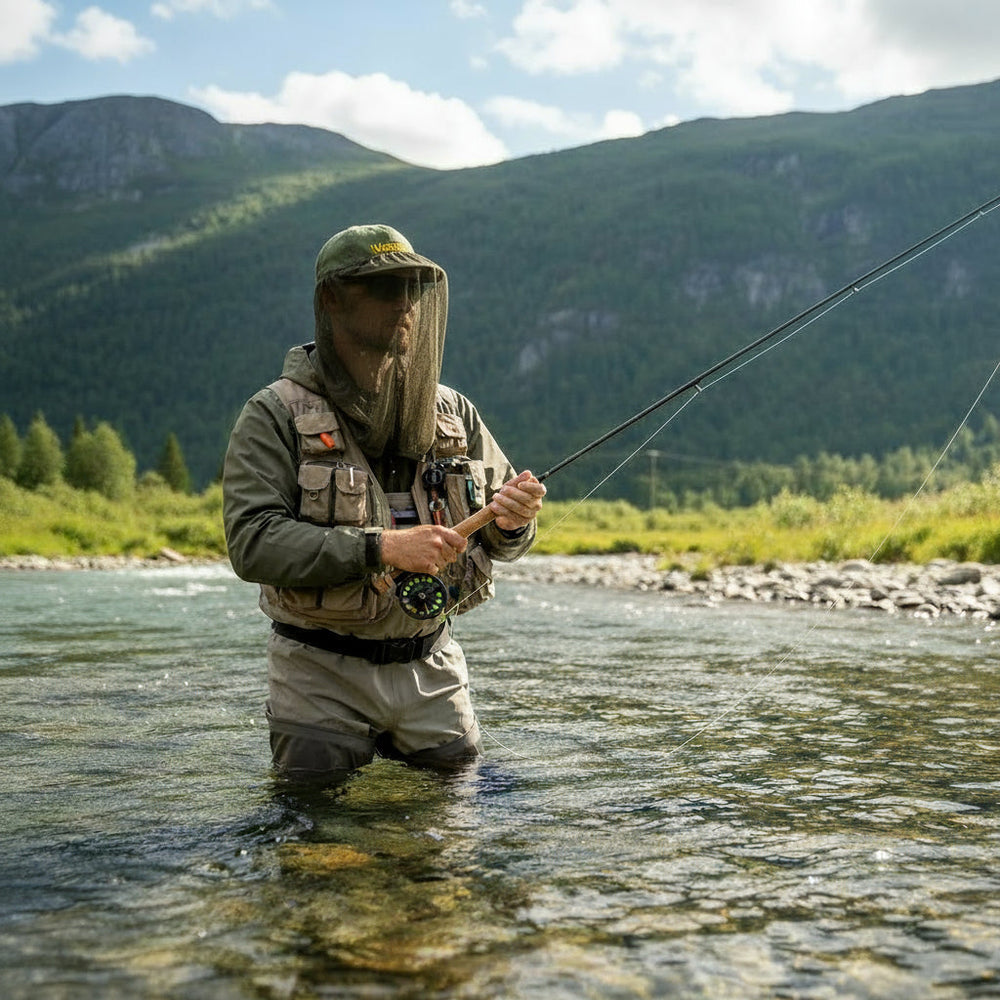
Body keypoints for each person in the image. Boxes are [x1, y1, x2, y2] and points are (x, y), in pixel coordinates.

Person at [223, 223, 545, 787]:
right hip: (318, 672)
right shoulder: (272, 414)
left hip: (432, 665)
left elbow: (504, 540)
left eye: (413, 291)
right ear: (332, 300)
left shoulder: (455, 412)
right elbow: (252, 543)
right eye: (385, 289)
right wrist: (384, 548)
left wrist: (514, 522)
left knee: (449, 847)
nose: (405, 306)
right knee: (314, 845)